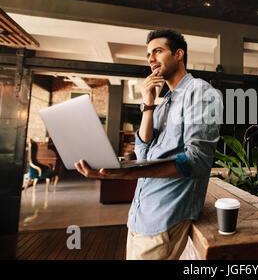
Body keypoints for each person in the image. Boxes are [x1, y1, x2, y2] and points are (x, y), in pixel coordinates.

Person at [74, 29, 223, 260]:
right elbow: (142, 151)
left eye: (158, 51)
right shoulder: (164, 104)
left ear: (179, 54)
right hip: (140, 216)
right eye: (148, 55)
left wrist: (122, 175)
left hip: (164, 218)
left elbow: (197, 160)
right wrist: (148, 103)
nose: (151, 59)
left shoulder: (200, 92)